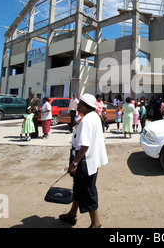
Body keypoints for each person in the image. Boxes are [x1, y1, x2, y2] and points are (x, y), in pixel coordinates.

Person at [60, 93, 108, 228]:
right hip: (88, 159)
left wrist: (75, 162)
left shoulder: (87, 120)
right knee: (78, 187)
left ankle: (96, 223)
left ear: (86, 106)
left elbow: (85, 145)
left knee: (87, 190)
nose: (77, 104)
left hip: (85, 161)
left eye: (80, 103)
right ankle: (72, 214)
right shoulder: (92, 117)